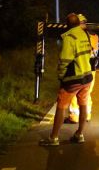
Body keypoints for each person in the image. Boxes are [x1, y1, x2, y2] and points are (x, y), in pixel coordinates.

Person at [39, 13, 93, 146]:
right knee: (83, 105)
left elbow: (65, 60)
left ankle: (54, 138)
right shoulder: (84, 34)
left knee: (61, 106)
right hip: (87, 76)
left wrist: (61, 75)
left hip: (74, 78)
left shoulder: (69, 37)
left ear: (67, 24)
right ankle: (79, 134)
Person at [65, 13, 99, 124]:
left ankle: (74, 116)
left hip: (78, 68)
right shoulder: (94, 36)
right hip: (91, 69)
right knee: (87, 93)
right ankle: (87, 115)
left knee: (74, 92)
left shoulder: (75, 35)